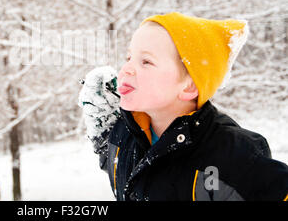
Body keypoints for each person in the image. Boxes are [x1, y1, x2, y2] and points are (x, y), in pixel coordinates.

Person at [78, 12, 288, 201]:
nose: (126, 69)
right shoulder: (124, 132)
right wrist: (104, 136)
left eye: (146, 62)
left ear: (188, 87)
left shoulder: (234, 155)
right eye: (129, 57)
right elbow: (127, 169)